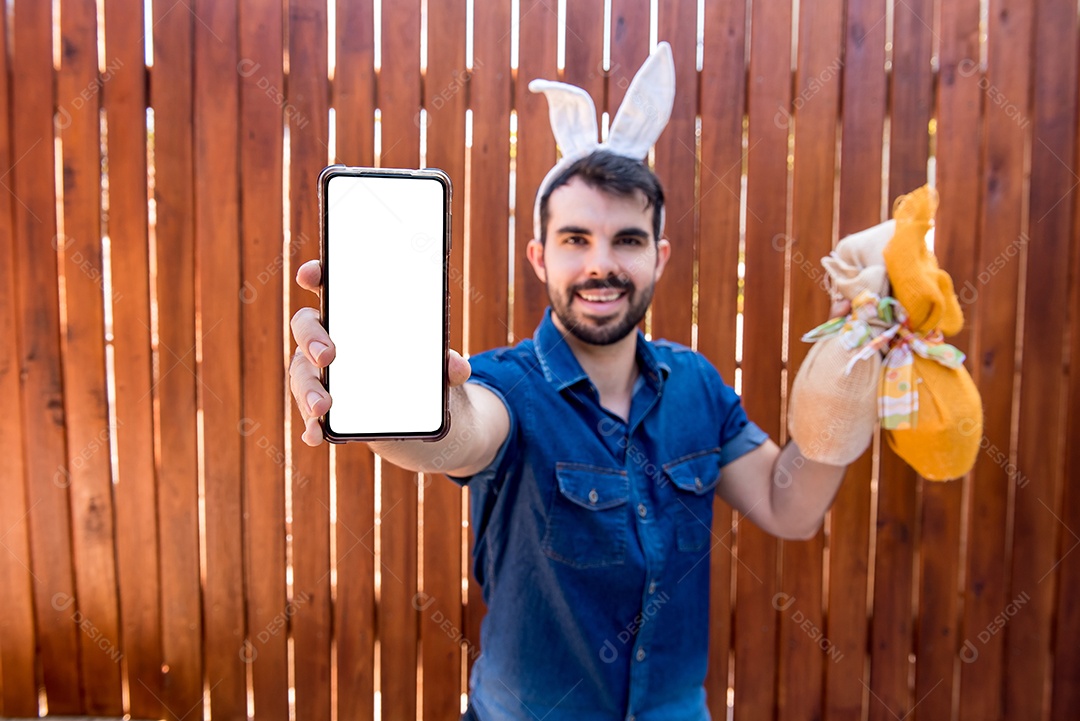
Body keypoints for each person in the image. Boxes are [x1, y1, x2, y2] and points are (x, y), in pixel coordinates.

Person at [289, 44, 853, 721]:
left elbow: (789, 508)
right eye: (576, 239)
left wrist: (850, 379)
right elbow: (453, 431)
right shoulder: (503, 385)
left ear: (659, 256)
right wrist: (387, 386)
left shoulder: (698, 385)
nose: (602, 265)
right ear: (540, 255)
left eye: (628, 240)